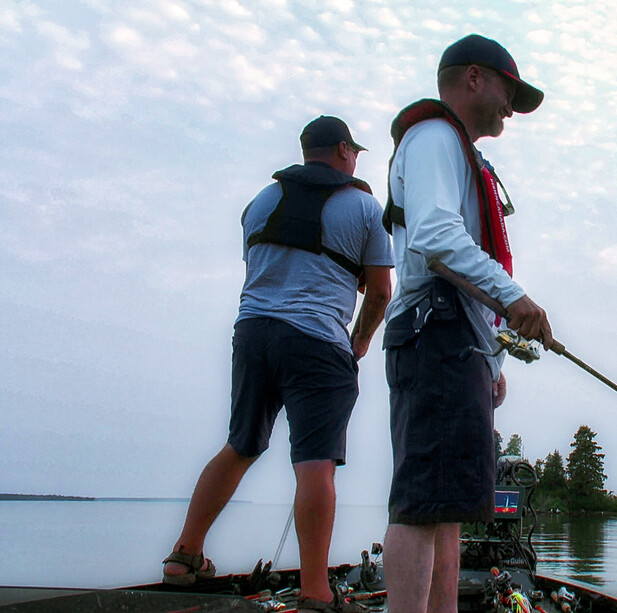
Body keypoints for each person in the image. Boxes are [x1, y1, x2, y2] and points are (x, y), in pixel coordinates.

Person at [162, 116, 393, 613]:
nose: (356, 160)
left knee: (240, 444)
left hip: (252, 334)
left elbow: (268, 267)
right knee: (315, 462)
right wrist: (359, 341)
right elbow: (379, 292)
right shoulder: (364, 207)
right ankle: (315, 592)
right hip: (317, 342)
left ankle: (185, 555)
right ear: (343, 150)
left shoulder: (260, 202)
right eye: (355, 152)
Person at [380, 34, 553, 613]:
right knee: (422, 503)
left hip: (460, 345)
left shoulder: (461, 152)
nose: (512, 106)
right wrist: (516, 300)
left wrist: (492, 355)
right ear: (474, 77)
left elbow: (460, 258)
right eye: (510, 90)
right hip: (433, 336)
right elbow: (434, 238)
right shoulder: (432, 138)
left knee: (449, 509)